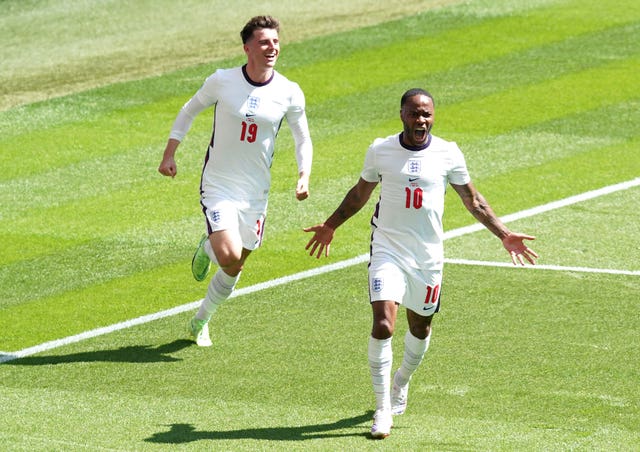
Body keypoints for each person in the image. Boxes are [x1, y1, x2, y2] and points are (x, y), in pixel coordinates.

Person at [304, 88, 537, 439]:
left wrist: (503, 234)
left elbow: (473, 200)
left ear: (433, 116)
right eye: (414, 113)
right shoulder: (381, 150)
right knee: (383, 323)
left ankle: (402, 381)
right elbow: (359, 194)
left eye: (426, 114)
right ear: (401, 115)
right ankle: (382, 409)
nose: (421, 120)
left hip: (428, 256)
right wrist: (330, 226)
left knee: (420, 327)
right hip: (387, 249)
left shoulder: (448, 153)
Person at [158, 16, 313, 347]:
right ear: (247, 48)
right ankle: (210, 245)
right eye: (263, 42)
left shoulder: (289, 92)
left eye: (275, 42)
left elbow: (303, 138)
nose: (272, 48)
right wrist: (169, 154)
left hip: (256, 193)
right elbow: (189, 110)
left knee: (236, 265)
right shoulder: (222, 81)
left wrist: (304, 175)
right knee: (227, 254)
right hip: (219, 185)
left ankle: (201, 320)